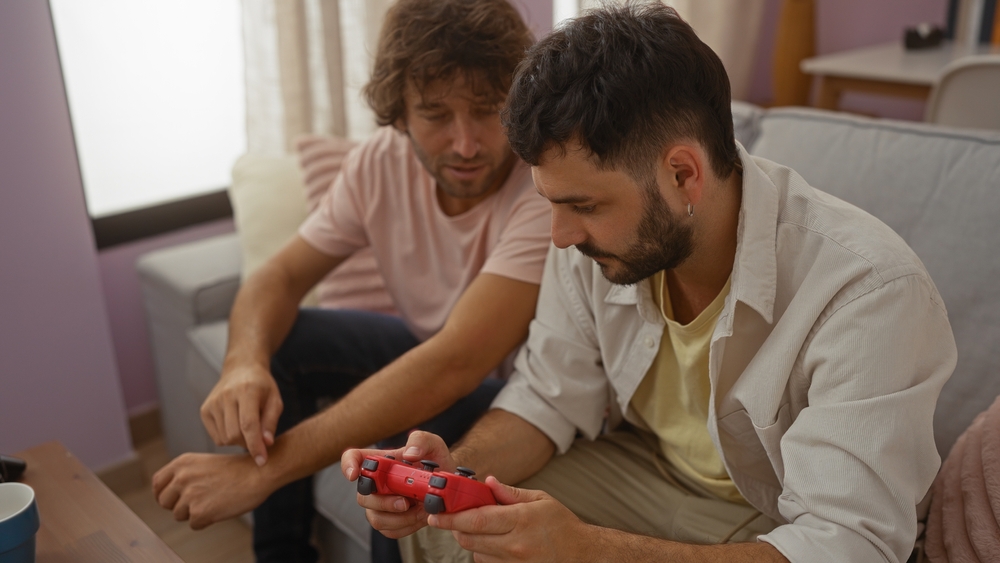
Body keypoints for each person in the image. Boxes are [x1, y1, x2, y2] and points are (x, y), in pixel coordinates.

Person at [344, 3, 957, 562]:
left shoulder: (868, 291)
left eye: (584, 206)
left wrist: (589, 549)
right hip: (646, 469)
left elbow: (847, 545)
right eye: (551, 203)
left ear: (683, 174)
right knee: (447, 530)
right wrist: (455, 470)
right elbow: (550, 396)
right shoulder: (588, 241)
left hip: (777, 512)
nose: (558, 235)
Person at [151, 1, 549, 562]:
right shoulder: (378, 165)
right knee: (280, 342)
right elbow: (281, 275)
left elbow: (457, 362)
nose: (465, 143)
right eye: (436, 115)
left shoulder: (542, 184)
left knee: (398, 462)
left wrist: (258, 473)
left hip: (515, 392)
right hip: (435, 354)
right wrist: (243, 361)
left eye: (488, 110)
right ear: (400, 113)